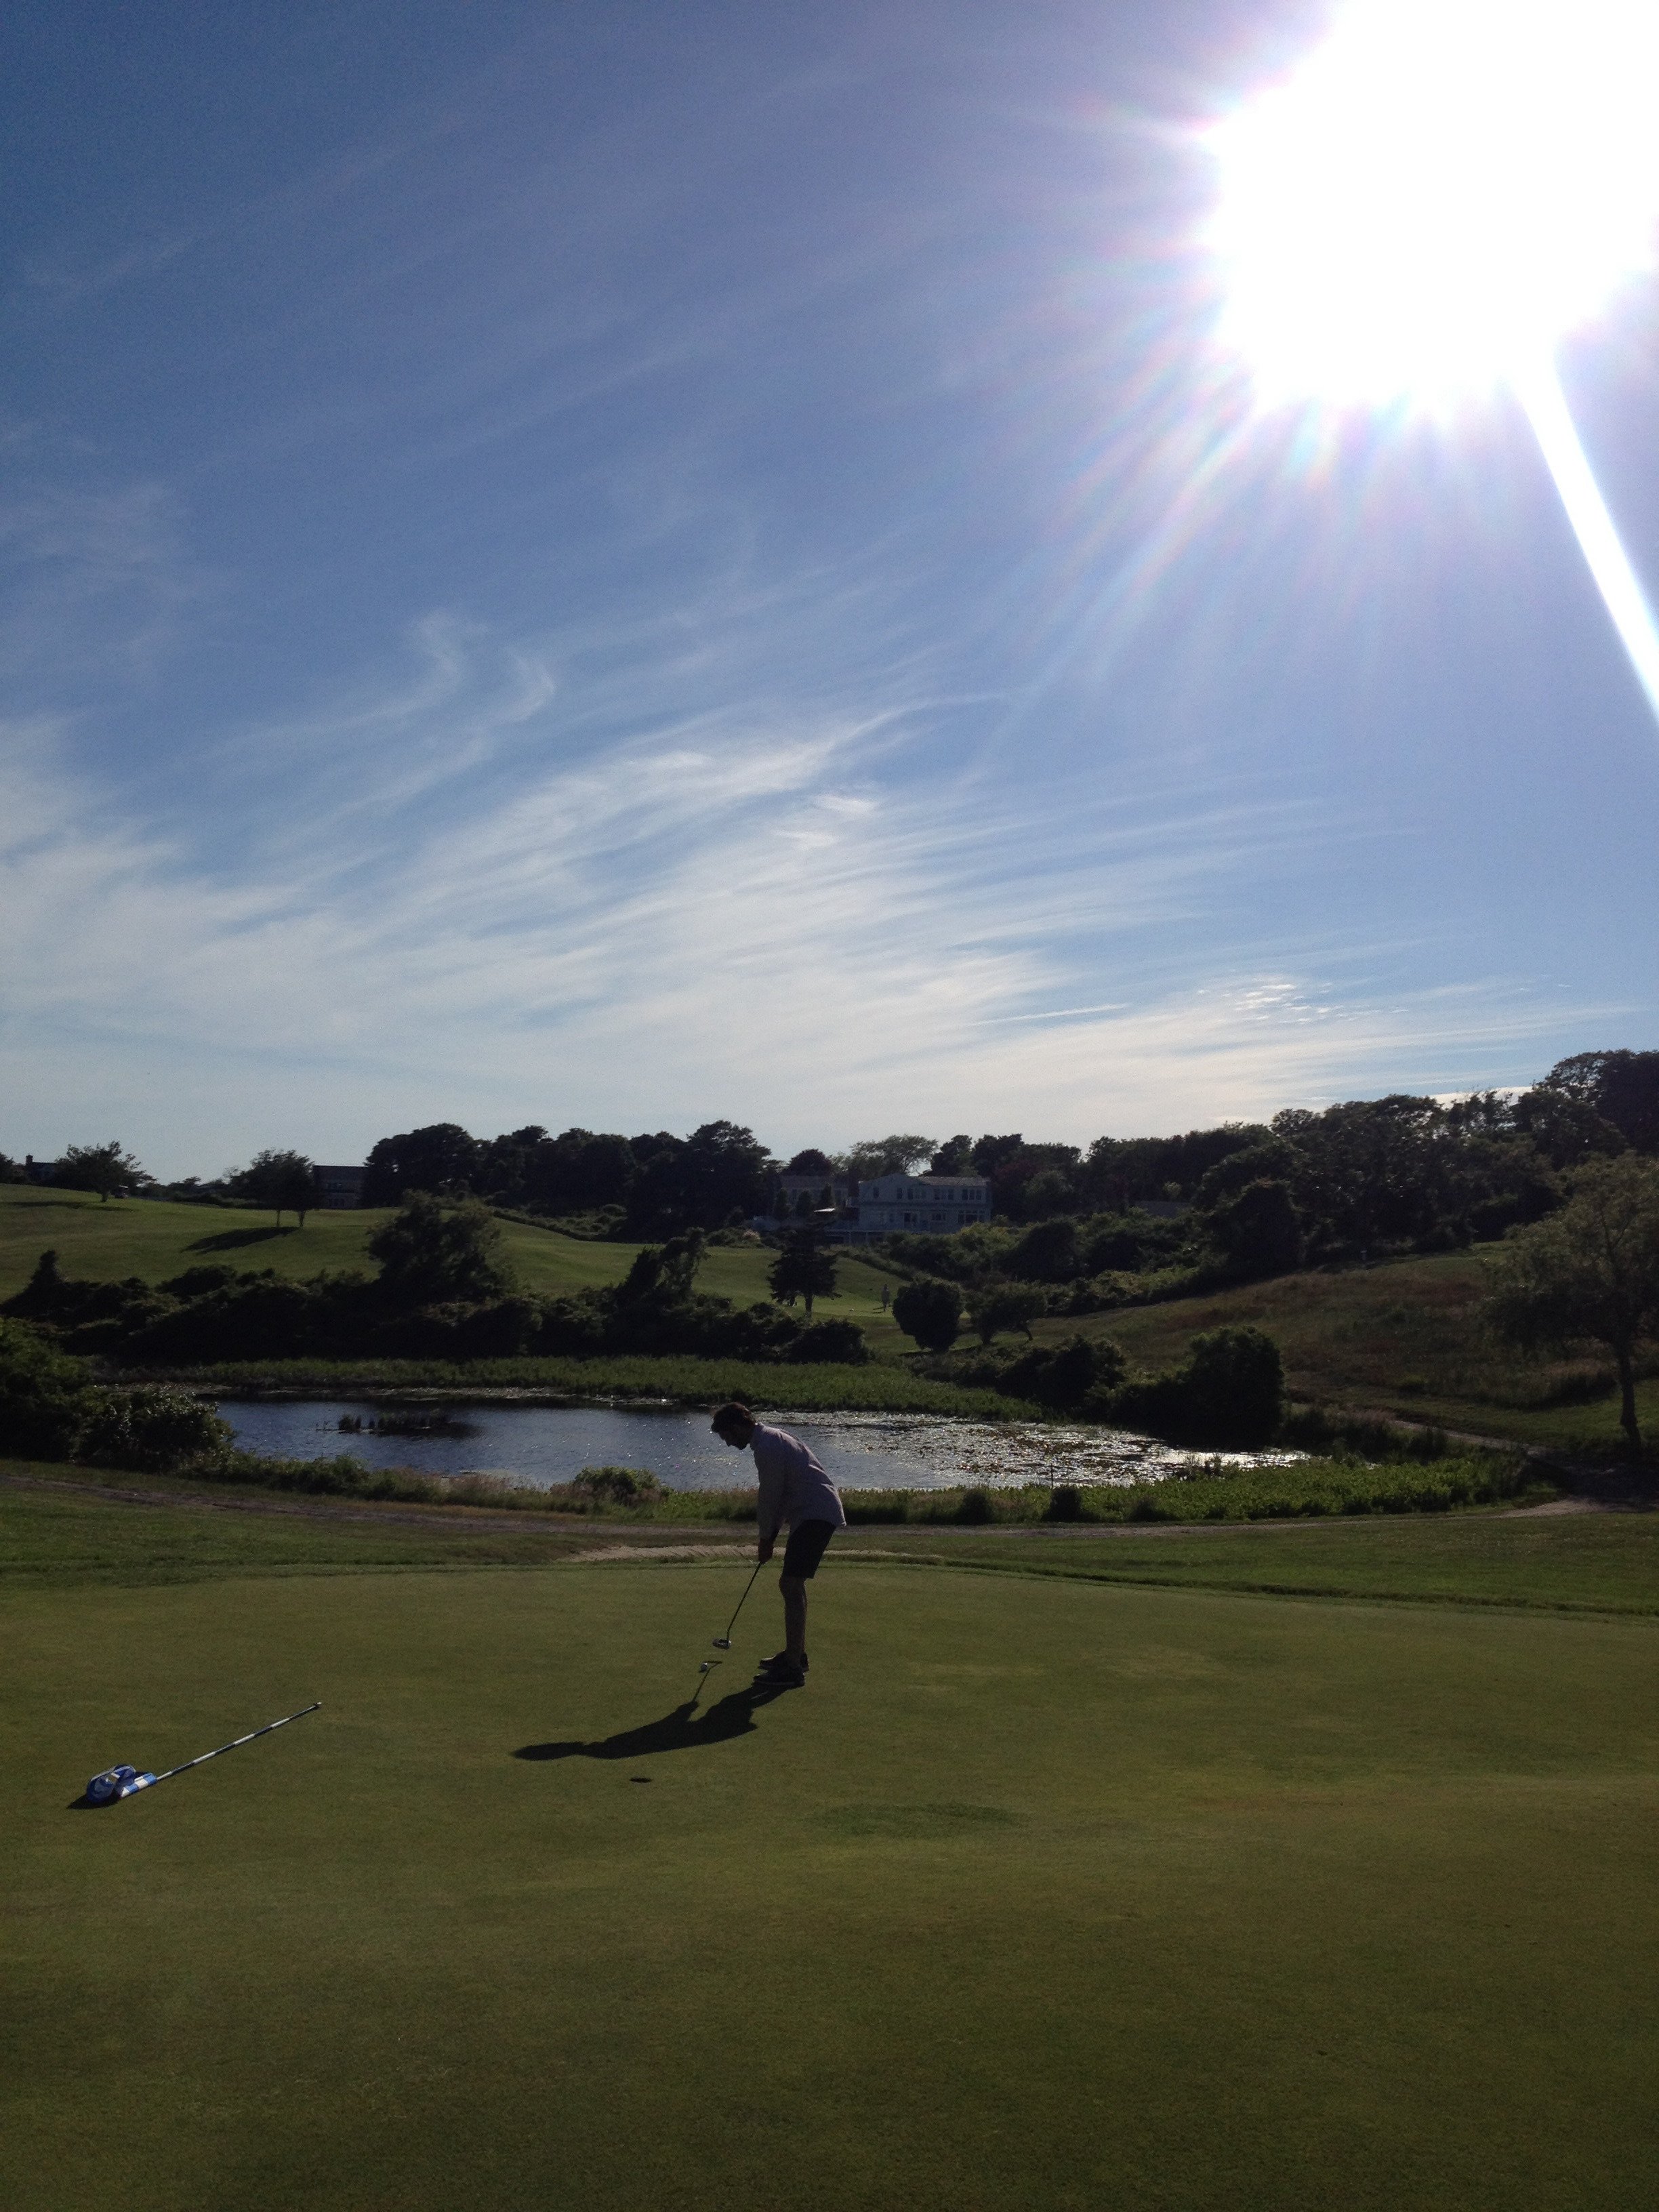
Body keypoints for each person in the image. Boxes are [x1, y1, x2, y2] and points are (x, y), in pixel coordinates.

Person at [710, 1401, 845, 1687]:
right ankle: (796, 1655)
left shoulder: (768, 1447)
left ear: (736, 1428)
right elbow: (781, 1498)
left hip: (815, 1513)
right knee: (793, 1584)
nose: (728, 1443)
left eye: (726, 1437)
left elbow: (770, 1498)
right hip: (812, 1513)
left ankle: (793, 1668)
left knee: (790, 1584)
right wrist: (769, 1538)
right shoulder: (772, 1438)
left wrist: (764, 1539)